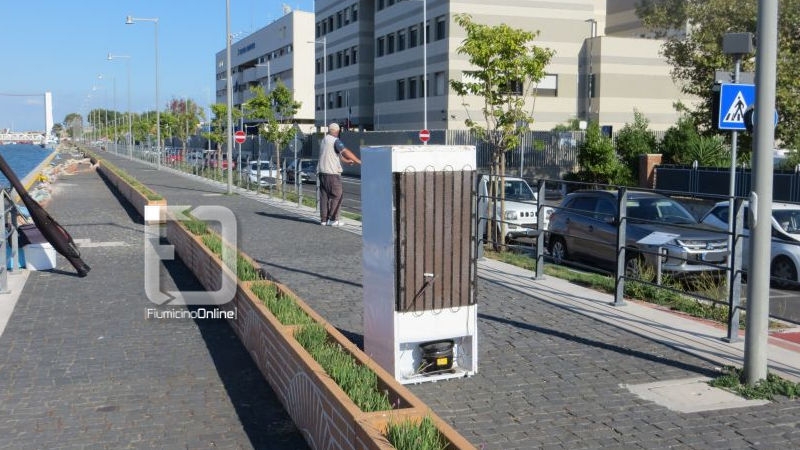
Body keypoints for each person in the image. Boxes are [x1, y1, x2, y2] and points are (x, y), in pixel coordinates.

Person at [318, 122, 361, 226]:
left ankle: (324, 220)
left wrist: (347, 161)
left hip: (322, 172)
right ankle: (333, 219)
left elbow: (337, 155)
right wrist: (358, 161)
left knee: (324, 197)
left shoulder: (324, 140)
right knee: (337, 195)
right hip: (332, 173)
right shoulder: (335, 141)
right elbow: (345, 151)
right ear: (337, 131)